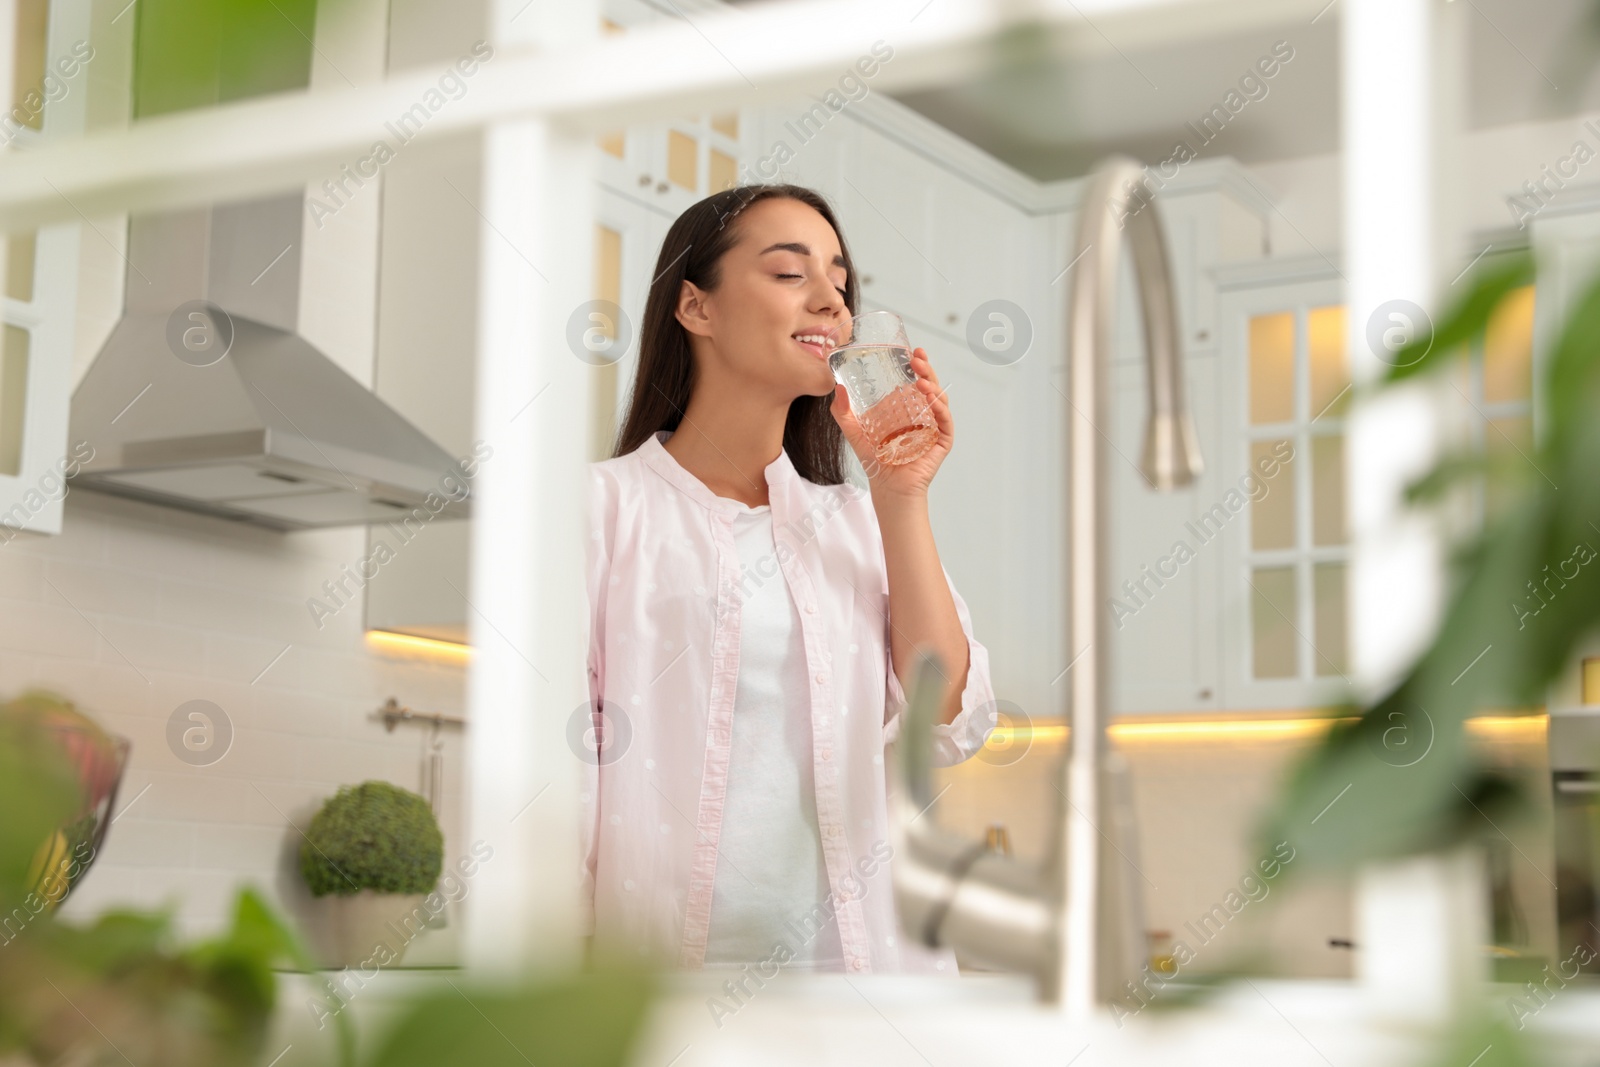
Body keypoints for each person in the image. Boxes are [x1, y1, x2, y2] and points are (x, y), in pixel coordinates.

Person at [581, 182, 997, 978]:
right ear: (695, 307)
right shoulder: (600, 510)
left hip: (863, 985)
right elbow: (557, 775)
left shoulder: (857, 520)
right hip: (663, 993)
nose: (831, 300)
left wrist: (900, 495)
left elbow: (943, 718)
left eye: (840, 279)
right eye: (788, 273)